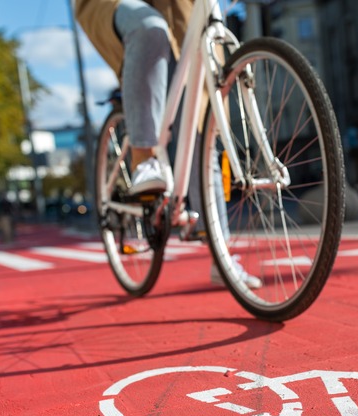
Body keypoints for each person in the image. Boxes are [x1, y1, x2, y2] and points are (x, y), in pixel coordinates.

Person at [74, 0, 261, 288]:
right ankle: (144, 158)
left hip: (186, 12)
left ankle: (221, 257)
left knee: (203, 130)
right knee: (150, 30)